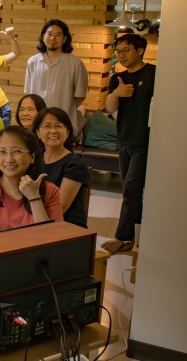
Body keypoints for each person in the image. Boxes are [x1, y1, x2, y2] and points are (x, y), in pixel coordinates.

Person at [102, 33, 156, 254]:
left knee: (132, 189)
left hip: (146, 143)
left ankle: (123, 237)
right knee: (130, 190)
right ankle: (135, 235)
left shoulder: (154, 73)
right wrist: (117, 93)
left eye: (126, 50)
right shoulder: (118, 78)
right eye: (118, 51)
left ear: (140, 51)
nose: (121, 55)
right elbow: (110, 107)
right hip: (124, 141)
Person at [0, 126, 64, 233]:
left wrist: (34, 198)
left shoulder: (51, 192)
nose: (9, 159)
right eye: (2, 152)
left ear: (32, 157)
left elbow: (51, 237)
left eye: (16, 151)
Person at [24, 20, 88, 130]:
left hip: (63, 124)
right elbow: (29, 95)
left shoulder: (75, 63)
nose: (53, 38)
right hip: (37, 124)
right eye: (49, 34)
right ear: (43, 37)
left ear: (65, 39)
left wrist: (64, 110)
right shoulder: (32, 62)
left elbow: (79, 96)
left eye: (58, 35)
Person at [33, 108, 90, 228]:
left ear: (67, 132)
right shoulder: (34, 159)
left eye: (58, 126)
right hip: (37, 220)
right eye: (47, 126)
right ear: (38, 132)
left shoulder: (75, 165)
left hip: (67, 227)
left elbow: (60, 207)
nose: (53, 131)